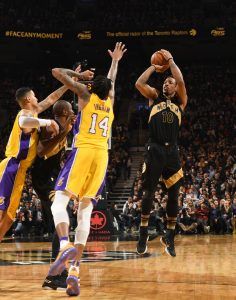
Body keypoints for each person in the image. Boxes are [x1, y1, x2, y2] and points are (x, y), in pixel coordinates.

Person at [46, 42, 127, 296]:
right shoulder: (110, 101)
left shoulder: (84, 95)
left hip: (82, 152)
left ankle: (63, 245)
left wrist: (79, 76)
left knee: (58, 204)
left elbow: (56, 72)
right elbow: (111, 81)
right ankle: (74, 271)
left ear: (92, 87)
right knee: (85, 210)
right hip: (102, 156)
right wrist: (115, 62)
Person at [135, 49, 187, 257]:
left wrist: (171, 60)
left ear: (175, 88)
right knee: (148, 192)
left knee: (174, 194)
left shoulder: (180, 102)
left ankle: (170, 236)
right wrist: (153, 67)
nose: (167, 83)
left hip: (172, 151)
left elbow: (181, 80)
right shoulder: (154, 97)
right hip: (154, 149)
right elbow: (139, 83)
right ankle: (143, 232)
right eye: (165, 81)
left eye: (170, 82)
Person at [0, 84, 69, 241]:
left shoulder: (34, 113)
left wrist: (68, 84)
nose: (38, 99)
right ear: (28, 99)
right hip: (12, 166)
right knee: (2, 212)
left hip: (20, 171)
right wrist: (48, 122)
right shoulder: (24, 114)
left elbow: (51, 99)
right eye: (35, 96)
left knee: (9, 217)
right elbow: (24, 122)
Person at [31, 100, 76, 290]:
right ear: (65, 111)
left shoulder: (63, 126)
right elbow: (42, 151)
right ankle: (54, 274)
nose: (74, 111)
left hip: (50, 178)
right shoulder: (53, 127)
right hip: (43, 180)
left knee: (62, 223)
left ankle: (57, 272)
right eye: (71, 110)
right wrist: (65, 133)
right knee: (63, 220)